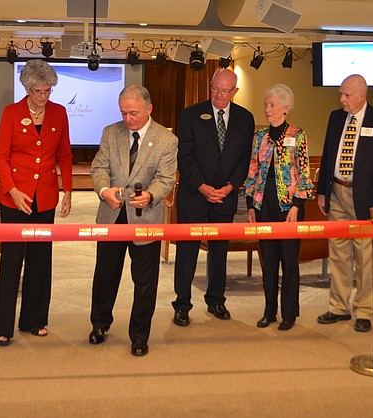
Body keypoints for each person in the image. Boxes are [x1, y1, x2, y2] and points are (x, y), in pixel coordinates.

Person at [88, 85, 178, 356]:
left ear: (149, 109)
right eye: (123, 113)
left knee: (145, 280)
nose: (127, 119)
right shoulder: (109, 132)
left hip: (145, 218)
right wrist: (105, 191)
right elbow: (99, 168)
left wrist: (151, 195)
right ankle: (99, 324)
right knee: (105, 275)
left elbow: (166, 178)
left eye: (133, 113)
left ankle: (139, 335)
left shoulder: (166, 139)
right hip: (112, 215)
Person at [0, 60, 73, 346]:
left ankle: (35, 319)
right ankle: (3, 326)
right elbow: (1, 156)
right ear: (27, 89)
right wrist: (12, 190)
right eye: (38, 91)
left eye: (48, 90)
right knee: (12, 260)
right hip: (15, 198)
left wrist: (67, 191)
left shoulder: (59, 113)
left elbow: (64, 155)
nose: (43, 96)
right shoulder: (11, 113)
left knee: (41, 260)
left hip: (45, 196)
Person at [171, 69, 255, 326]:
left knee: (219, 251)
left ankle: (216, 299)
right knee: (187, 251)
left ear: (235, 92)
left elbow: (244, 159)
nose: (218, 95)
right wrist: (202, 187)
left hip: (225, 196)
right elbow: (184, 157)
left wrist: (230, 187)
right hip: (194, 194)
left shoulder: (245, 118)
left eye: (225, 91)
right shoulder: (191, 114)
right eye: (215, 89)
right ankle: (182, 304)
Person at [315, 74, 373, 333]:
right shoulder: (335, 117)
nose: (342, 99)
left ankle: (364, 310)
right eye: (341, 94)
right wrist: (322, 192)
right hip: (338, 193)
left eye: (346, 95)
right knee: (337, 253)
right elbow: (329, 154)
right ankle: (338, 306)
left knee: (365, 257)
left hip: (367, 199)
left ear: (362, 94)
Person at [244, 84, 313, 331]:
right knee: (269, 259)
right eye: (266, 105)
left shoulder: (298, 134)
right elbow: (252, 170)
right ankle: (269, 311)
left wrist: (297, 205)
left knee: (289, 260)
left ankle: (289, 314)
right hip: (264, 201)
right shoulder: (259, 137)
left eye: (272, 105)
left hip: (289, 205)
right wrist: (250, 204)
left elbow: (304, 173)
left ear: (286, 108)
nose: (267, 109)